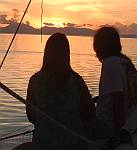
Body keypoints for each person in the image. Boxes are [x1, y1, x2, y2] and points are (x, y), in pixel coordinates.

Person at [26, 33, 95, 150]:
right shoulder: (77, 80)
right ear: (67, 54)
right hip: (74, 144)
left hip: (43, 144)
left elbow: (31, 116)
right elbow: (91, 113)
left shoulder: (35, 81)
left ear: (46, 53)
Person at [93, 26, 137, 138]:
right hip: (130, 122)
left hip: (108, 125)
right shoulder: (125, 62)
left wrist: (119, 133)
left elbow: (118, 99)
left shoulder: (110, 64)